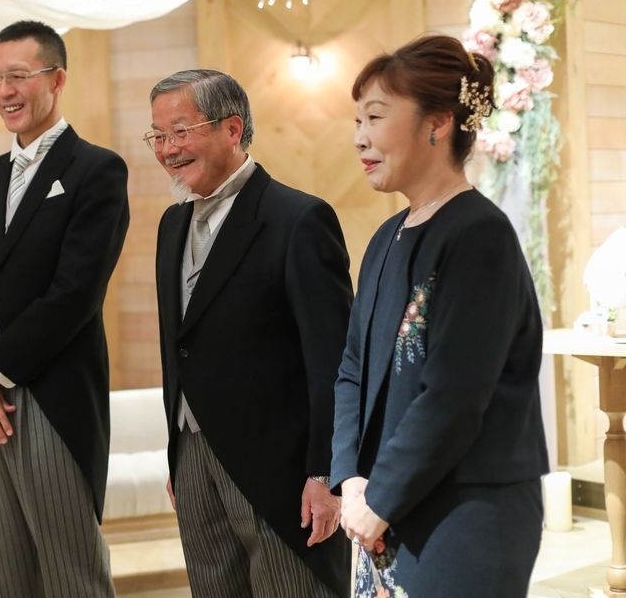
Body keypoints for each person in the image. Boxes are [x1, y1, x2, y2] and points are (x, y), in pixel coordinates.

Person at [333, 35, 549, 597]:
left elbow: (455, 394)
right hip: (382, 505)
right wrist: (350, 479)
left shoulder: (479, 235)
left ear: (437, 122)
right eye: (357, 120)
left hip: (466, 511)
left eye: (375, 117)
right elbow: (352, 368)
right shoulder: (386, 237)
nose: (360, 138)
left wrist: (379, 498)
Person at [0, 20, 129, 597]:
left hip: (53, 394)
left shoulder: (97, 169)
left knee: (72, 575)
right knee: (8, 575)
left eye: (18, 76)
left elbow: (75, 293)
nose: (4, 91)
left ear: (57, 79)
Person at [149, 69, 353, 597]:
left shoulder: (299, 219)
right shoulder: (171, 225)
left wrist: (325, 475)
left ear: (232, 128)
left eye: (180, 132)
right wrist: (180, 456)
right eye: (158, 136)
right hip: (192, 457)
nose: (167, 150)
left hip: (281, 470)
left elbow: (332, 361)